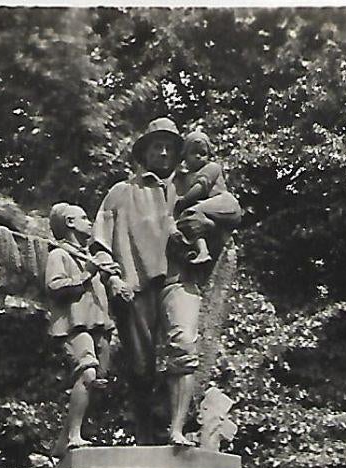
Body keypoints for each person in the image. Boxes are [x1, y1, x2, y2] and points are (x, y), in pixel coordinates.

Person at [92, 117, 241, 446]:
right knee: (141, 368)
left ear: (178, 153)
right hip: (136, 285)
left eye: (169, 147)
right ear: (143, 153)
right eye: (156, 146)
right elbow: (99, 244)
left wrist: (204, 219)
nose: (162, 152)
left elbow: (233, 210)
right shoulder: (121, 193)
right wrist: (112, 277)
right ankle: (146, 438)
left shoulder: (190, 184)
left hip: (179, 278)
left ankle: (176, 429)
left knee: (184, 346)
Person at [44, 202, 131, 450]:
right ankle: (73, 437)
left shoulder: (89, 257)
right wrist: (86, 274)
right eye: (84, 218)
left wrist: (110, 276)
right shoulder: (59, 254)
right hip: (74, 325)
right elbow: (55, 287)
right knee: (87, 373)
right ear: (70, 223)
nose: (90, 222)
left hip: (99, 325)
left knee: (97, 381)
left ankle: (63, 441)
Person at [174, 128, 240, 266]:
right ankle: (202, 251)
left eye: (203, 153)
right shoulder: (187, 176)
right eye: (193, 153)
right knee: (191, 220)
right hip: (209, 212)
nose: (198, 156)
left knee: (190, 212)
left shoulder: (212, 168)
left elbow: (200, 188)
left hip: (226, 204)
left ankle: (204, 250)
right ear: (184, 156)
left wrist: (183, 201)